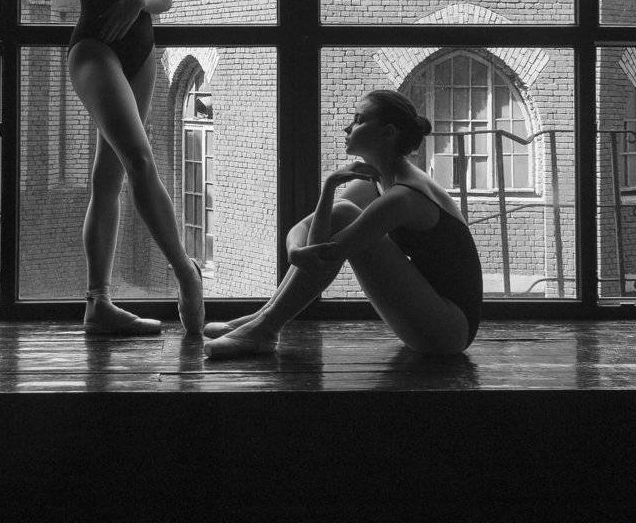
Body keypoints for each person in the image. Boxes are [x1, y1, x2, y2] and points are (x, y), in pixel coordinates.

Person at [204, 89, 482, 359]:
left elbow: (324, 254)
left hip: (449, 331)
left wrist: (330, 185)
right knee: (341, 212)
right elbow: (304, 230)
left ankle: (265, 328)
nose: (347, 128)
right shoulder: (377, 182)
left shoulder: (404, 195)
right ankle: (264, 318)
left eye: (359, 120)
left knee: (344, 213)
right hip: (430, 318)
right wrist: (294, 250)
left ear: (388, 133)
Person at [65, 0, 203, 336]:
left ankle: (97, 304)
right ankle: (187, 275)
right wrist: (128, 3)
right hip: (95, 47)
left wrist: (139, 0)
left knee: (111, 175)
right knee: (140, 160)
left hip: (141, 49)